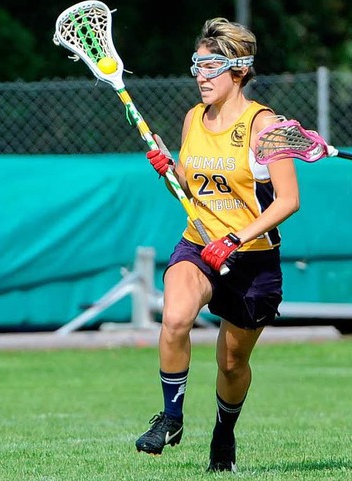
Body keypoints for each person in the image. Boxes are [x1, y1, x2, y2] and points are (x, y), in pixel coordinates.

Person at [134, 17, 299, 473]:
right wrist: (169, 172)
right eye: (197, 66)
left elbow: (289, 200)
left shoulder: (265, 125)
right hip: (198, 245)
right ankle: (170, 417)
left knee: (231, 364)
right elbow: (189, 193)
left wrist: (236, 237)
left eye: (211, 66)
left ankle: (223, 434)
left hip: (252, 260)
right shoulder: (193, 119)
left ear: (239, 70)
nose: (201, 76)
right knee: (176, 318)